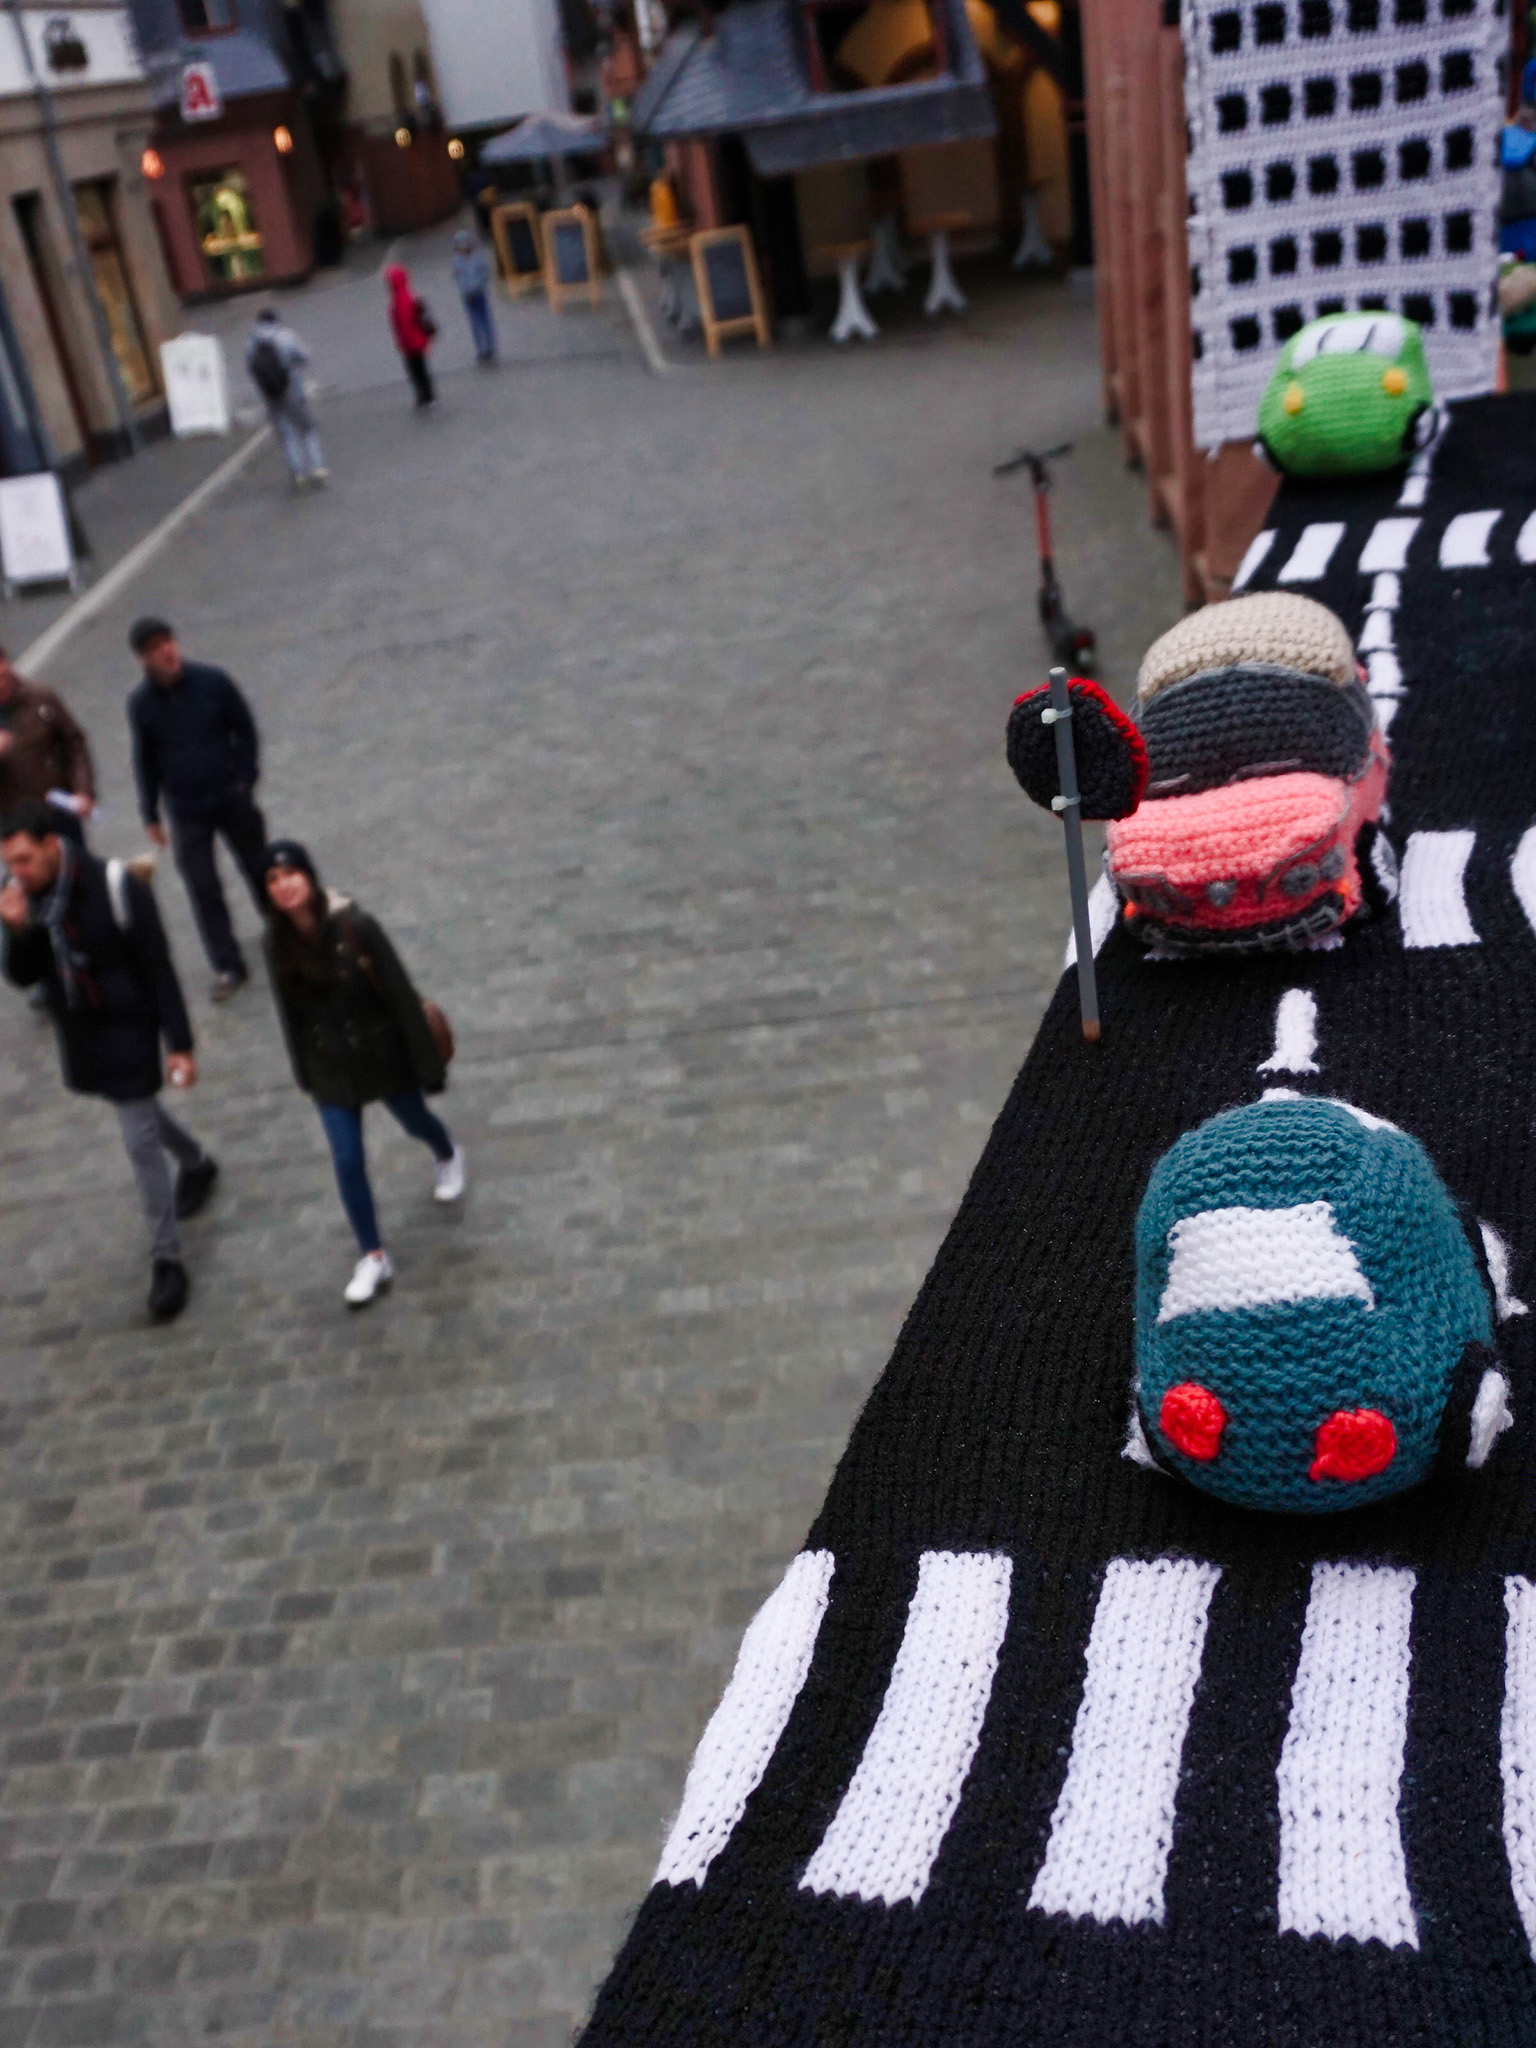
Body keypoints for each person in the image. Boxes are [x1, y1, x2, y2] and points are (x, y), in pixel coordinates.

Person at [0, 801, 217, 1322]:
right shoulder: (21, 897)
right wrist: (19, 929)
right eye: (9, 863)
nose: (17, 872)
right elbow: (25, 977)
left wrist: (180, 1045)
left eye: (25, 860)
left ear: (52, 845)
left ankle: (168, 1260)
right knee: (133, 1109)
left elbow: (159, 968)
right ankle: (197, 1162)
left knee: (138, 1140)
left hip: (130, 1027)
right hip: (82, 1034)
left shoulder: (115, 886)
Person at [261, 840, 465, 1307]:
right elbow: (290, 1016)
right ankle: (373, 1255)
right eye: (272, 880)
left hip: (380, 1054)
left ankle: (447, 1151)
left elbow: (400, 993)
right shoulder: (276, 944)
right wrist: (304, 1072)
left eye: (290, 874)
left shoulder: (357, 927)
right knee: (347, 1159)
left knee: (415, 1120)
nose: (284, 885)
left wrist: (428, 1067)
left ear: (309, 876)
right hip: (330, 1067)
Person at [126, 617, 266, 1002]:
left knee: (259, 868)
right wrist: (150, 813)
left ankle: (285, 933)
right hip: (187, 810)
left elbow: (245, 729)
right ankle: (228, 964)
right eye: (156, 648)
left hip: (231, 796)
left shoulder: (212, 681)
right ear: (143, 659)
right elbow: (145, 760)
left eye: (168, 641)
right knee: (203, 887)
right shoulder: (141, 705)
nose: (167, 651)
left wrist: (246, 778)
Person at [0, 649, 96, 822]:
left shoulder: (40, 698)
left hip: (57, 808)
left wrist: (83, 790)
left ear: (6, 663)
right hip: (14, 822)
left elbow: (74, 744)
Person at [245, 306, 328, 488]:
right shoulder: (285, 336)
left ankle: (298, 474)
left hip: (270, 395)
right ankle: (317, 467)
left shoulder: (251, 343)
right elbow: (303, 357)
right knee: (307, 429)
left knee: (286, 434)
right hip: (293, 390)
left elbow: (251, 368)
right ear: (275, 320)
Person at [385, 263, 436, 407]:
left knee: (417, 370)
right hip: (414, 340)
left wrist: (402, 341)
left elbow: (403, 324)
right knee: (419, 369)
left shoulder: (400, 300)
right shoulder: (406, 296)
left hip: (411, 342)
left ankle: (426, 396)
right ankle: (426, 395)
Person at [451, 230, 497, 364]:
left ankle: (490, 346)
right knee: (475, 323)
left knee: (485, 320)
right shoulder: (457, 261)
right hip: (467, 296)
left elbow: (485, 274)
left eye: (464, 243)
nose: (463, 246)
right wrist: (464, 289)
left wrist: (477, 285)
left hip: (479, 294)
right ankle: (481, 349)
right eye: (460, 244)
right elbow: (458, 278)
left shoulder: (478, 258)